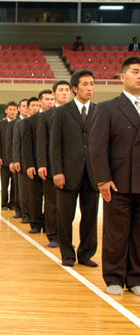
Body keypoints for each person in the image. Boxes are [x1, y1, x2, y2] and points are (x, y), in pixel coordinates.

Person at [90, 56, 140, 296]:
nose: (139, 76)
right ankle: (114, 278)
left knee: (139, 233)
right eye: (135, 71)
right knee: (116, 232)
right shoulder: (107, 107)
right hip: (117, 182)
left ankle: (136, 277)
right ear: (122, 77)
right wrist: (102, 178)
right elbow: (97, 147)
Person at [50, 69, 99, 268]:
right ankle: (67, 254)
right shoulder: (62, 112)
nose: (90, 88)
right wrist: (57, 171)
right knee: (65, 217)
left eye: (92, 84)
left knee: (90, 218)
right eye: (85, 84)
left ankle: (86, 254)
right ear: (75, 89)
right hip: (68, 173)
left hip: (93, 173)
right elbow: (55, 144)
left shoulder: (99, 111)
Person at [36, 80, 72, 247]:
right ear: (54, 94)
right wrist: (42, 163)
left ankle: (66, 238)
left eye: (67, 90)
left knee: (67, 206)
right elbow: (41, 142)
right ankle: (53, 235)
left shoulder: (76, 113)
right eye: (61, 90)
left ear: (72, 93)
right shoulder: (46, 116)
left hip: (72, 166)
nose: (64, 93)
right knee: (51, 202)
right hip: (51, 165)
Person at [21, 90, 55, 234]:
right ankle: (35, 223)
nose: (50, 102)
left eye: (52, 99)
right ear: (40, 101)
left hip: (52, 165)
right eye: (47, 99)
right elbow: (27, 145)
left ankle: (50, 226)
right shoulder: (30, 121)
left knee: (51, 200)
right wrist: (29, 165)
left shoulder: (58, 116)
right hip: (35, 163)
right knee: (35, 196)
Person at [0, 102, 17, 210]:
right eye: (10, 109)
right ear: (6, 111)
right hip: (4, 159)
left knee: (15, 184)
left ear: (17, 111)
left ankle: (12, 203)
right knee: (4, 184)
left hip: (16, 159)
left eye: (14, 109)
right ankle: (4, 204)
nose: (12, 111)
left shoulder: (20, 123)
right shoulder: (0, 125)